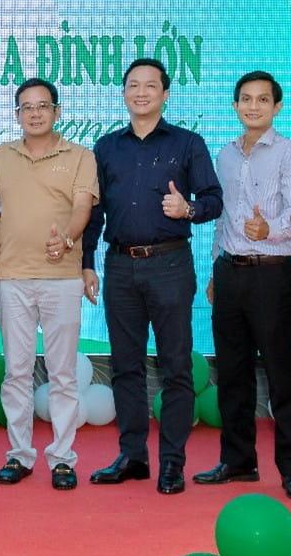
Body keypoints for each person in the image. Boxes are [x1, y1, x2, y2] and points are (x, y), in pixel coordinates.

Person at [82, 58, 221, 496]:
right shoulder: (106, 147)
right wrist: (86, 261)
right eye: (133, 85)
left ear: (165, 94)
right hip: (120, 265)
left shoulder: (188, 143)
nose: (141, 92)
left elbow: (214, 199)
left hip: (169, 264)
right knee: (125, 365)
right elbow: (94, 211)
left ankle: (172, 462)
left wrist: (188, 209)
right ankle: (133, 456)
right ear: (124, 93)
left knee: (176, 366)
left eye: (150, 86)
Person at [193, 71, 291, 501]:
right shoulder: (224, 155)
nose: (253, 106)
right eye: (246, 99)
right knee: (232, 373)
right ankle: (238, 461)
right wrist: (214, 270)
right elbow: (224, 218)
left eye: (263, 99)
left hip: (271, 275)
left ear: (277, 107)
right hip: (229, 273)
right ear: (235, 106)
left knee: (282, 375)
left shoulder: (289, 153)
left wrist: (269, 230)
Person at [0, 78, 96, 491]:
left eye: (43, 106)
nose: (35, 113)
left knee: (62, 374)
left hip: (62, 279)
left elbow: (83, 208)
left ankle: (63, 459)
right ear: (17, 115)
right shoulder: (0, 156)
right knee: (16, 372)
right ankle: (19, 455)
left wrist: (66, 238)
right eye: (27, 107)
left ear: (57, 111)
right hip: (11, 279)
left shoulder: (80, 156)